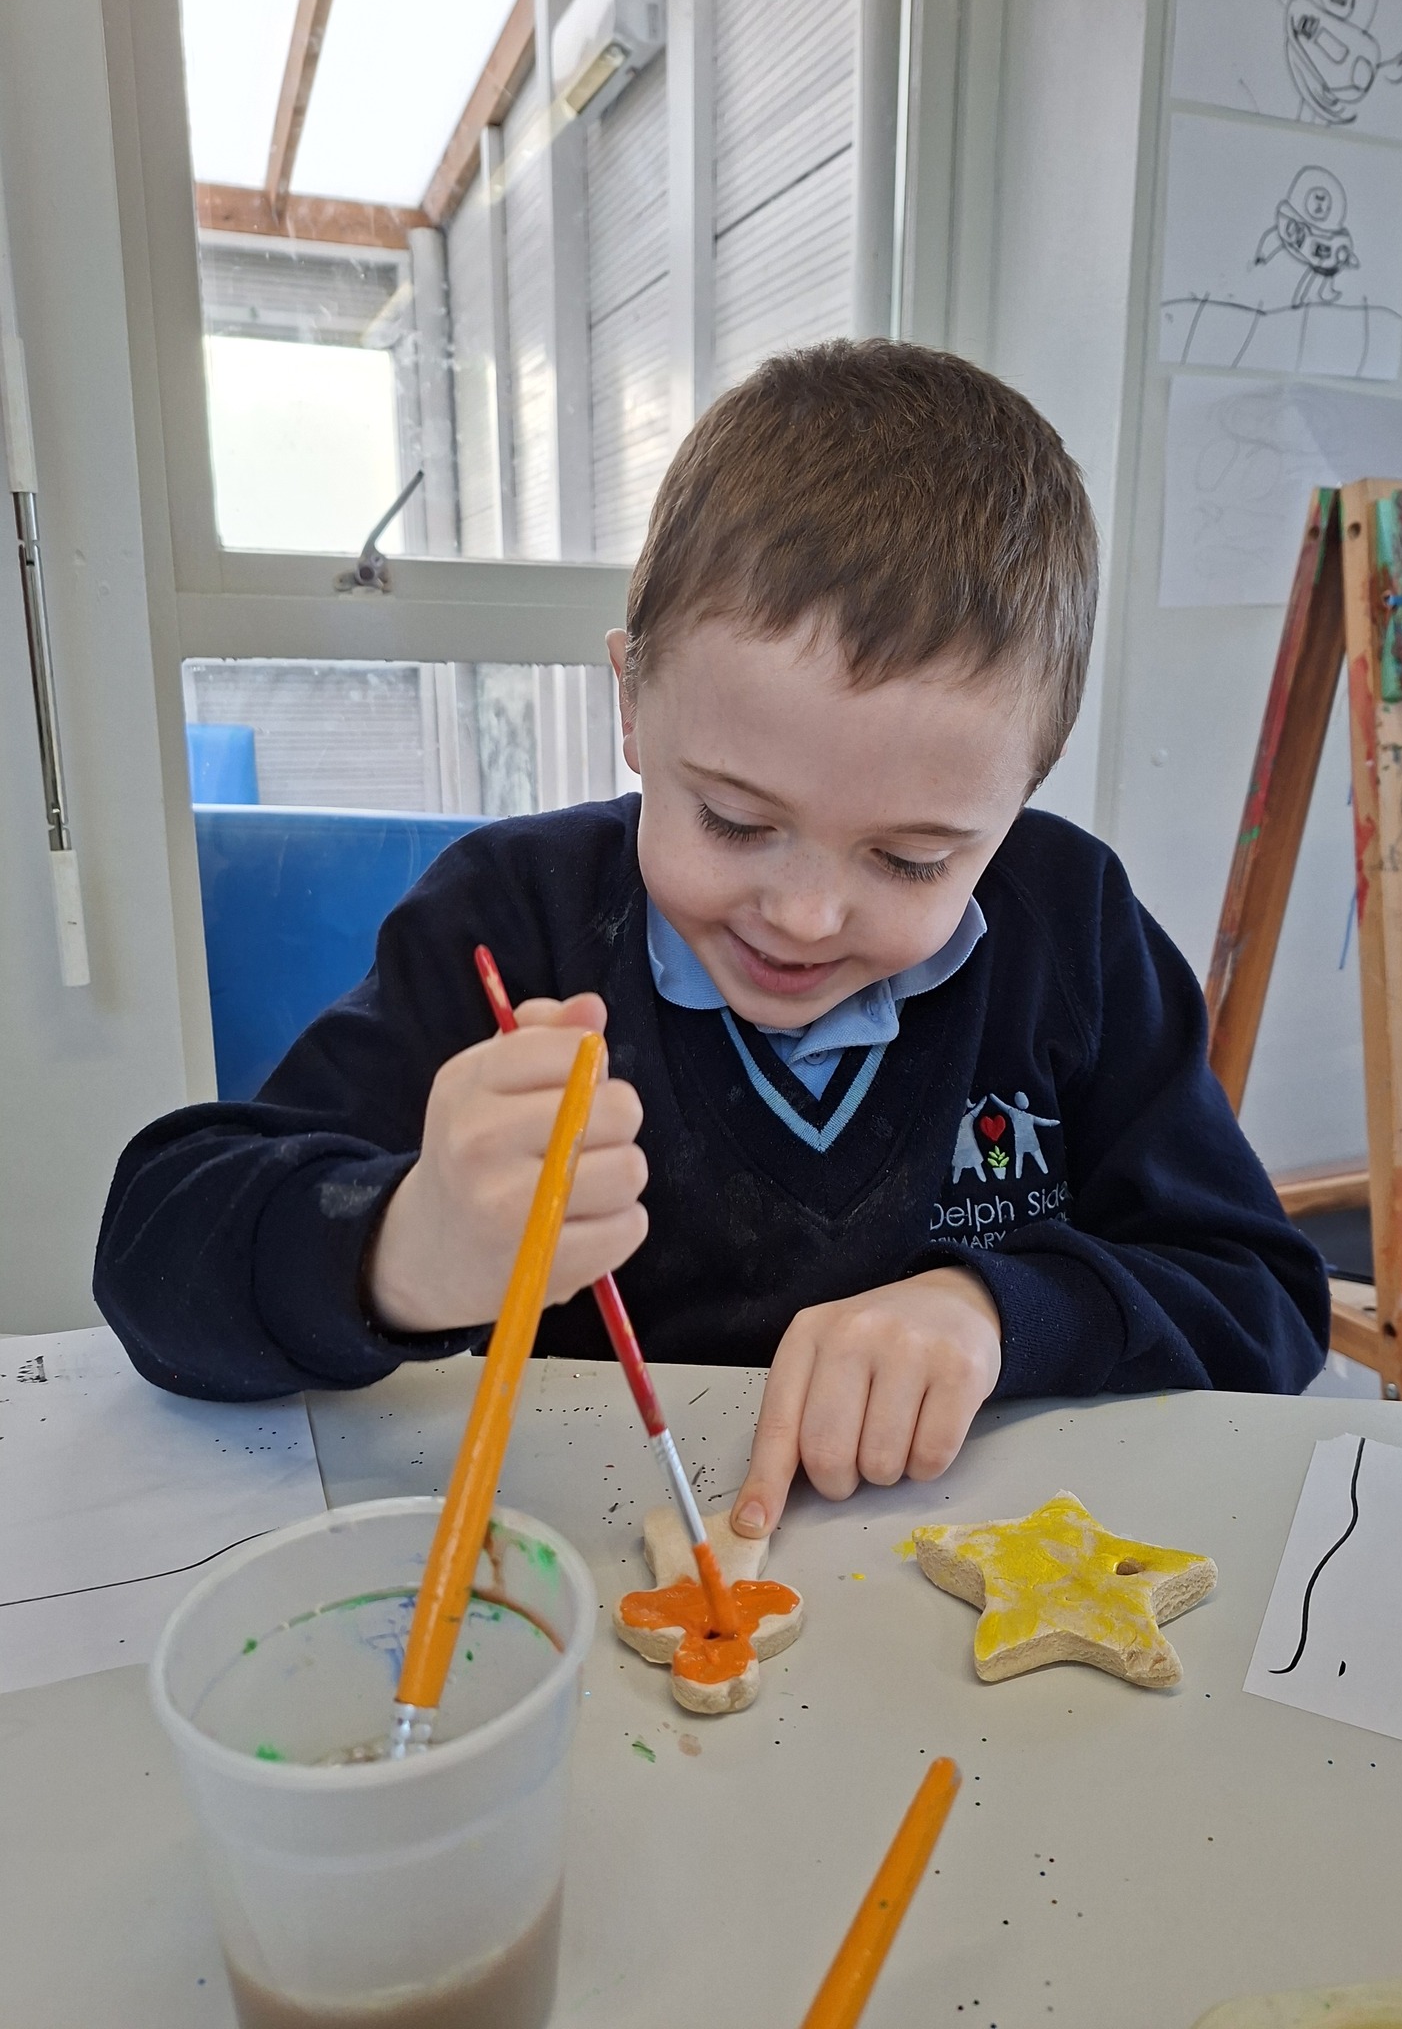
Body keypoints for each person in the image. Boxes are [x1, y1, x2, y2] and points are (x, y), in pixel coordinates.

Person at [95, 340, 1328, 1542]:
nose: (804, 915)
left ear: (1023, 790)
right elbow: (154, 1254)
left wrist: (1002, 1310)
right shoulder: (514, 917)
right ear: (632, 702)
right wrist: (399, 1245)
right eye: (735, 821)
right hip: (583, 1588)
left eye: (911, 859)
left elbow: (1263, 1299)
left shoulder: (1072, 926)